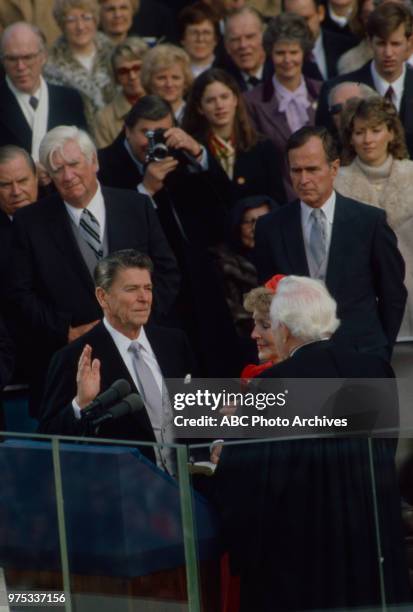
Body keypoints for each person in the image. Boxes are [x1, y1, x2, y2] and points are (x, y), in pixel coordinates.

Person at [213, 275, 410, 611]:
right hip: (370, 546)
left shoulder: (271, 385)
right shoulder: (375, 369)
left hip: (303, 560)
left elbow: (248, 482)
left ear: (285, 330)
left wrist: (224, 459)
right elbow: (383, 451)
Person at [7, 125, 180, 416]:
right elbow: (20, 294)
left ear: (94, 162)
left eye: (74, 164)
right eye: (57, 168)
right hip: (75, 363)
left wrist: (136, 321)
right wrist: (67, 331)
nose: (68, 175)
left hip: (143, 349)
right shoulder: (30, 222)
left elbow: (167, 273)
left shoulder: (135, 206)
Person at [98, 95, 243, 377]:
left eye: (160, 132)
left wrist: (199, 153)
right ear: (127, 129)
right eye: (145, 133)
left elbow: (226, 206)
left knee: (215, 365)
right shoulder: (105, 164)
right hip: (153, 287)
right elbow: (111, 232)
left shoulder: (177, 153)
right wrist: (145, 190)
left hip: (198, 278)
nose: (151, 141)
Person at [254, 125, 407, 360]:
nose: (303, 180)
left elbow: (393, 293)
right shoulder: (270, 228)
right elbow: (267, 300)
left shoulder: (369, 222)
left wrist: (381, 349)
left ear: (334, 168)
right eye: (296, 170)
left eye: (312, 169)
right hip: (298, 363)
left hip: (363, 357)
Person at [38, 250, 195, 473]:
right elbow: (46, 440)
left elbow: (197, 413)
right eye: (131, 289)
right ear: (103, 297)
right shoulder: (74, 358)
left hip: (190, 488)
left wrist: (216, 443)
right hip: (123, 493)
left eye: (147, 288)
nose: (144, 298)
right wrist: (80, 405)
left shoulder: (174, 342)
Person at [335, 96, 413, 340]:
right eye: (359, 132)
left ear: (391, 133)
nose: (367, 140)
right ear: (350, 137)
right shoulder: (337, 183)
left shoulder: (412, 175)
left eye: (376, 130)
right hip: (366, 306)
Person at [316, 2, 413, 158]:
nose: (388, 52)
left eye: (395, 44)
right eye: (381, 43)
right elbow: (327, 151)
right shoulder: (335, 90)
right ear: (369, 41)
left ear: (409, 42)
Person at [244, 13, 322, 201]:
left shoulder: (323, 91)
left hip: (324, 196)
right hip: (279, 202)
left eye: (294, 52)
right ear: (270, 54)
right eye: (280, 53)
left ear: (304, 53)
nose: (287, 60)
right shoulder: (251, 101)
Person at [183, 67, 286, 207]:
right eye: (210, 100)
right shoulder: (190, 152)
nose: (219, 105)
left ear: (235, 100)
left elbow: (278, 200)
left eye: (224, 97)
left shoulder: (263, 146)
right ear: (200, 108)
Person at [0, 22, 88, 159]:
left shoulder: (70, 99)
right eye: (12, 59)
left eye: (28, 57)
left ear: (43, 56)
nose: (21, 66)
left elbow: (85, 153)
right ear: (3, 60)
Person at [44, 0, 116, 132]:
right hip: (76, 136)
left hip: (114, 132)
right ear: (62, 25)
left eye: (86, 17)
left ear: (95, 20)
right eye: (71, 20)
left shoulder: (113, 52)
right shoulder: (50, 64)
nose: (80, 26)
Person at [93, 36, 148, 148]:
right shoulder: (105, 118)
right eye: (123, 71)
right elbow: (105, 161)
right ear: (116, 77)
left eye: (137, 68)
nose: (132, 76)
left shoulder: (165, 101)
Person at [283, 0, 356, 80]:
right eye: (294, 21)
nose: (301, 26)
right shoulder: (278, 54)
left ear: (321, 13)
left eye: (306, 19)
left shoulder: (347, 47)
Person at [0, 145, 38, 277]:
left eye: (22, 181)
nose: (16, 192)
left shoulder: (61, 217)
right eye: (5, 185)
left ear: (36, 178)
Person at [220, 6, 273, 92]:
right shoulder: (220, 82)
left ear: (264, 38)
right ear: (227, 46)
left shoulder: (281, 73)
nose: (243, 45)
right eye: (235, 39)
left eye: (250, 37)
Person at [140, 44, 192, 124]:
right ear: (149, 81)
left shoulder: (198, 117)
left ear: (185, 81)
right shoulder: (138, 117)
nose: (169, 84)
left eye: (175, 77)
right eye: (161, 78)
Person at [178, 1, 220, 78]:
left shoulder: (227, 70)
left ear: (215, 39)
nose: (200, 39)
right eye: (194, 33)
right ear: (183, 39)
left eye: (206, 33)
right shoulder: (173, 73)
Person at [336, 0, 375, 74]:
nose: (375, 21)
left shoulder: (403, 58)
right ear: (360, 18)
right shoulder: (349, 62)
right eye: (368, 16)